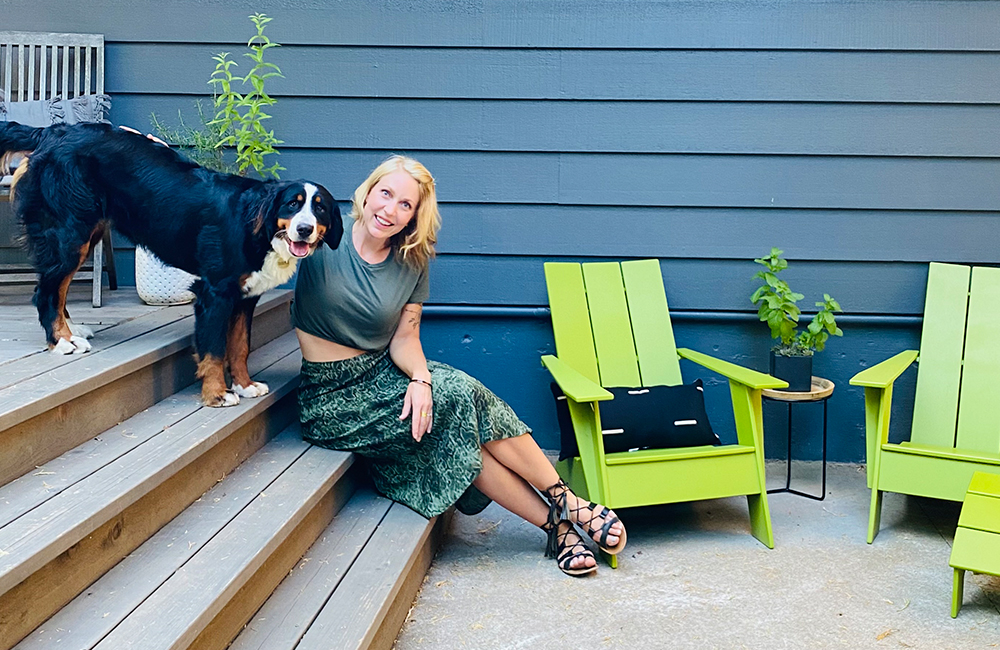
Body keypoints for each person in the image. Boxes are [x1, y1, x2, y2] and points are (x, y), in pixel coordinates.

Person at [291, 155, 626, 576]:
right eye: (386, 193)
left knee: (457, 396)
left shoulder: (411, 261)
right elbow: (266, 242)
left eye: (405, 204)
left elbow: (406, 337)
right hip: (332, 399)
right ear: (369, 190)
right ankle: (568, 509)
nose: (389, 210)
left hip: (381, 372)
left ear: (415, 215)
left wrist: (420, 377)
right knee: (456, 410)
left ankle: (559, 517)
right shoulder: (320, 227)